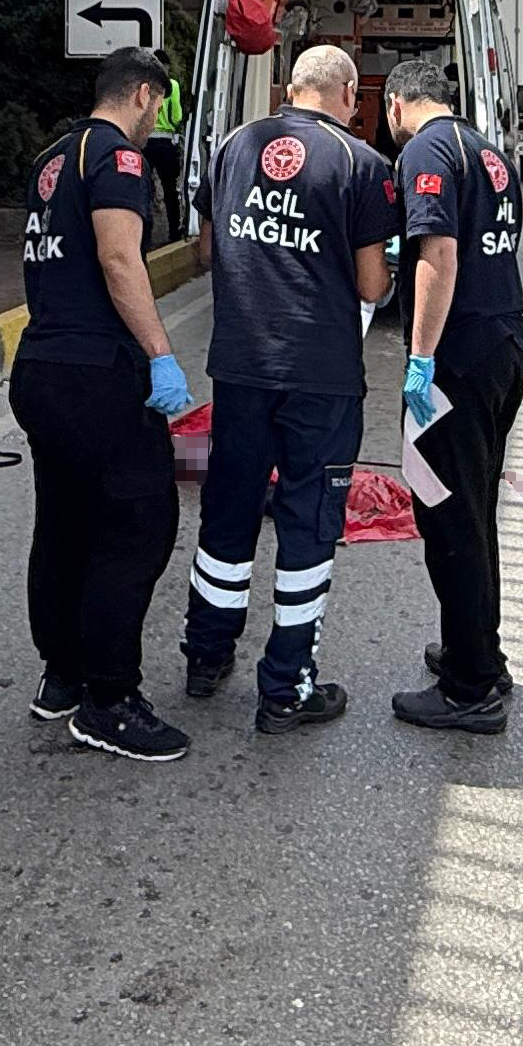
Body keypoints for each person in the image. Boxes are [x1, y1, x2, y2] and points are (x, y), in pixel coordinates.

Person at [181, 44, 397, 732]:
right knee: (308, 525)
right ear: (344, 97)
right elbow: (371, 284)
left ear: (289, 87)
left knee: (228, 512)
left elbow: (208, 251)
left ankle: (205, 658)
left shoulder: (236, 146)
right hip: (321, 375)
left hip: (241, 366)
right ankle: (285, 687)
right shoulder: (363, 167)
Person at [14, 46, 199, 762]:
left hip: (43, 367)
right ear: (146, 95)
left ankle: (62, 674)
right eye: (162, 105)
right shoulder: (121, 160)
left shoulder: (52, 158)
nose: (160, 119)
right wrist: (160, 354)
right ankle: (110, 700)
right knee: (139, 525)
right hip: (99, 373)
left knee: (64, 523)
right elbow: (120, 260)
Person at [384, 56, 523, 733]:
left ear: (395, 106)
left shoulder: (424, 152)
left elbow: (438, 258)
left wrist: (419, 359)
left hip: (458, 360)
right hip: (504, 343)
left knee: (447, 519)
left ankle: (470, 688)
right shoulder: (488, 152)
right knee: (476, 512)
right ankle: (480, 653)